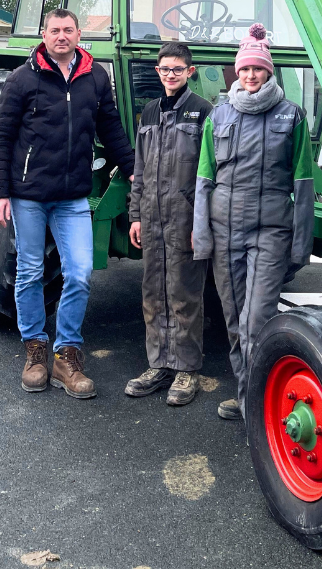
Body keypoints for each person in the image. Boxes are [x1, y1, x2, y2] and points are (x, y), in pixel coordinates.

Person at [0, 8, 135, 398]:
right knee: (31, 270)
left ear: (79, 34)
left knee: (81, 271)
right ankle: (35, 351)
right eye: (55, 30)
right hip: (29, 195)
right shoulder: (22, 79)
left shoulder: (94, 77)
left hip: (72, 197)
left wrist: (134, 168)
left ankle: (66, 355)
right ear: (44, 34)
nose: (61, 36)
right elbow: (0, 138)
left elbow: (111, 129)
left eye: (68, 30)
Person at [193, 23, 314, 421]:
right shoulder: (219, 115)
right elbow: (204, 178)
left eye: (258, 69)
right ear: (236, 71)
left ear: (269, 72)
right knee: (233, 321)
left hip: (270, 233)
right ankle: (248, 397)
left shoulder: (291, 116)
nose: (250, 75)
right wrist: (201, 233)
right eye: (244, 69)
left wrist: (300, 245)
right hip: (226, 232)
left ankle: (262, 402)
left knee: (258, 318)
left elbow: (303, 182)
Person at [125, 43, 213, 406]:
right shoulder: (149, 112)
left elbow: (209, 174)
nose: (170, 75)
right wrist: (135, 216)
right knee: (153, 292)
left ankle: (187, 369)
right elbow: (140, 169)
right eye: (164, 69)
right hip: (152, 216)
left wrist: (201, 223)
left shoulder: (203, 112)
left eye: (177, 69)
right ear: (157, 72)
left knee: (184, 293)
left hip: (185, 219)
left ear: (190, 71)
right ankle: (158, 364)